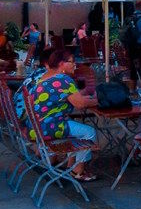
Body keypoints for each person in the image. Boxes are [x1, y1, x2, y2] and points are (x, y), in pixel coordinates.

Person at [16, 47, 98, 181]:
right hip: (50, 127)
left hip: (37, 127)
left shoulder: (46, 77)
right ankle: (78, 170)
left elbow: (69, 97)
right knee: (89, 132)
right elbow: (80, 104)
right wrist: (98, 100)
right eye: (71, 62)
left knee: (76, 131)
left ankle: (72, 166)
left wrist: (85, 98)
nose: (74, 65)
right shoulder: (63, 79)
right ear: (61, 64)